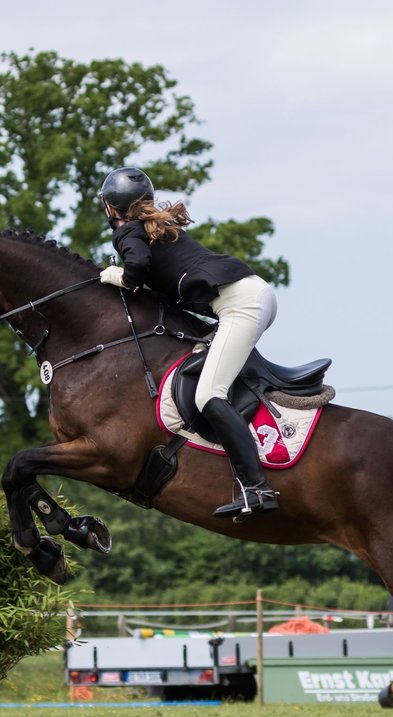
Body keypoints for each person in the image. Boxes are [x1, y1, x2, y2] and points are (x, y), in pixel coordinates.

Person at [98, 166, 279, 520]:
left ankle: (256, 488)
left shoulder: (127, 233)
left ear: (111, 209)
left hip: (240, 306)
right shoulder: (157, 226)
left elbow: (136, 269)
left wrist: (115, 275)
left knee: (209, 395)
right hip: (253, 293)